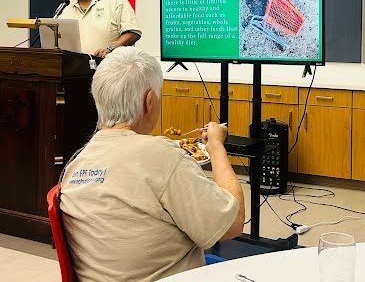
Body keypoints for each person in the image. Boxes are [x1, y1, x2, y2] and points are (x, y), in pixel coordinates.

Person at [60, 47, 245, 282]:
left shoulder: (75, 164)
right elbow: (233, 223)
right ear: (149, 101)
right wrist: (217, 145)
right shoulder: (162, 156)